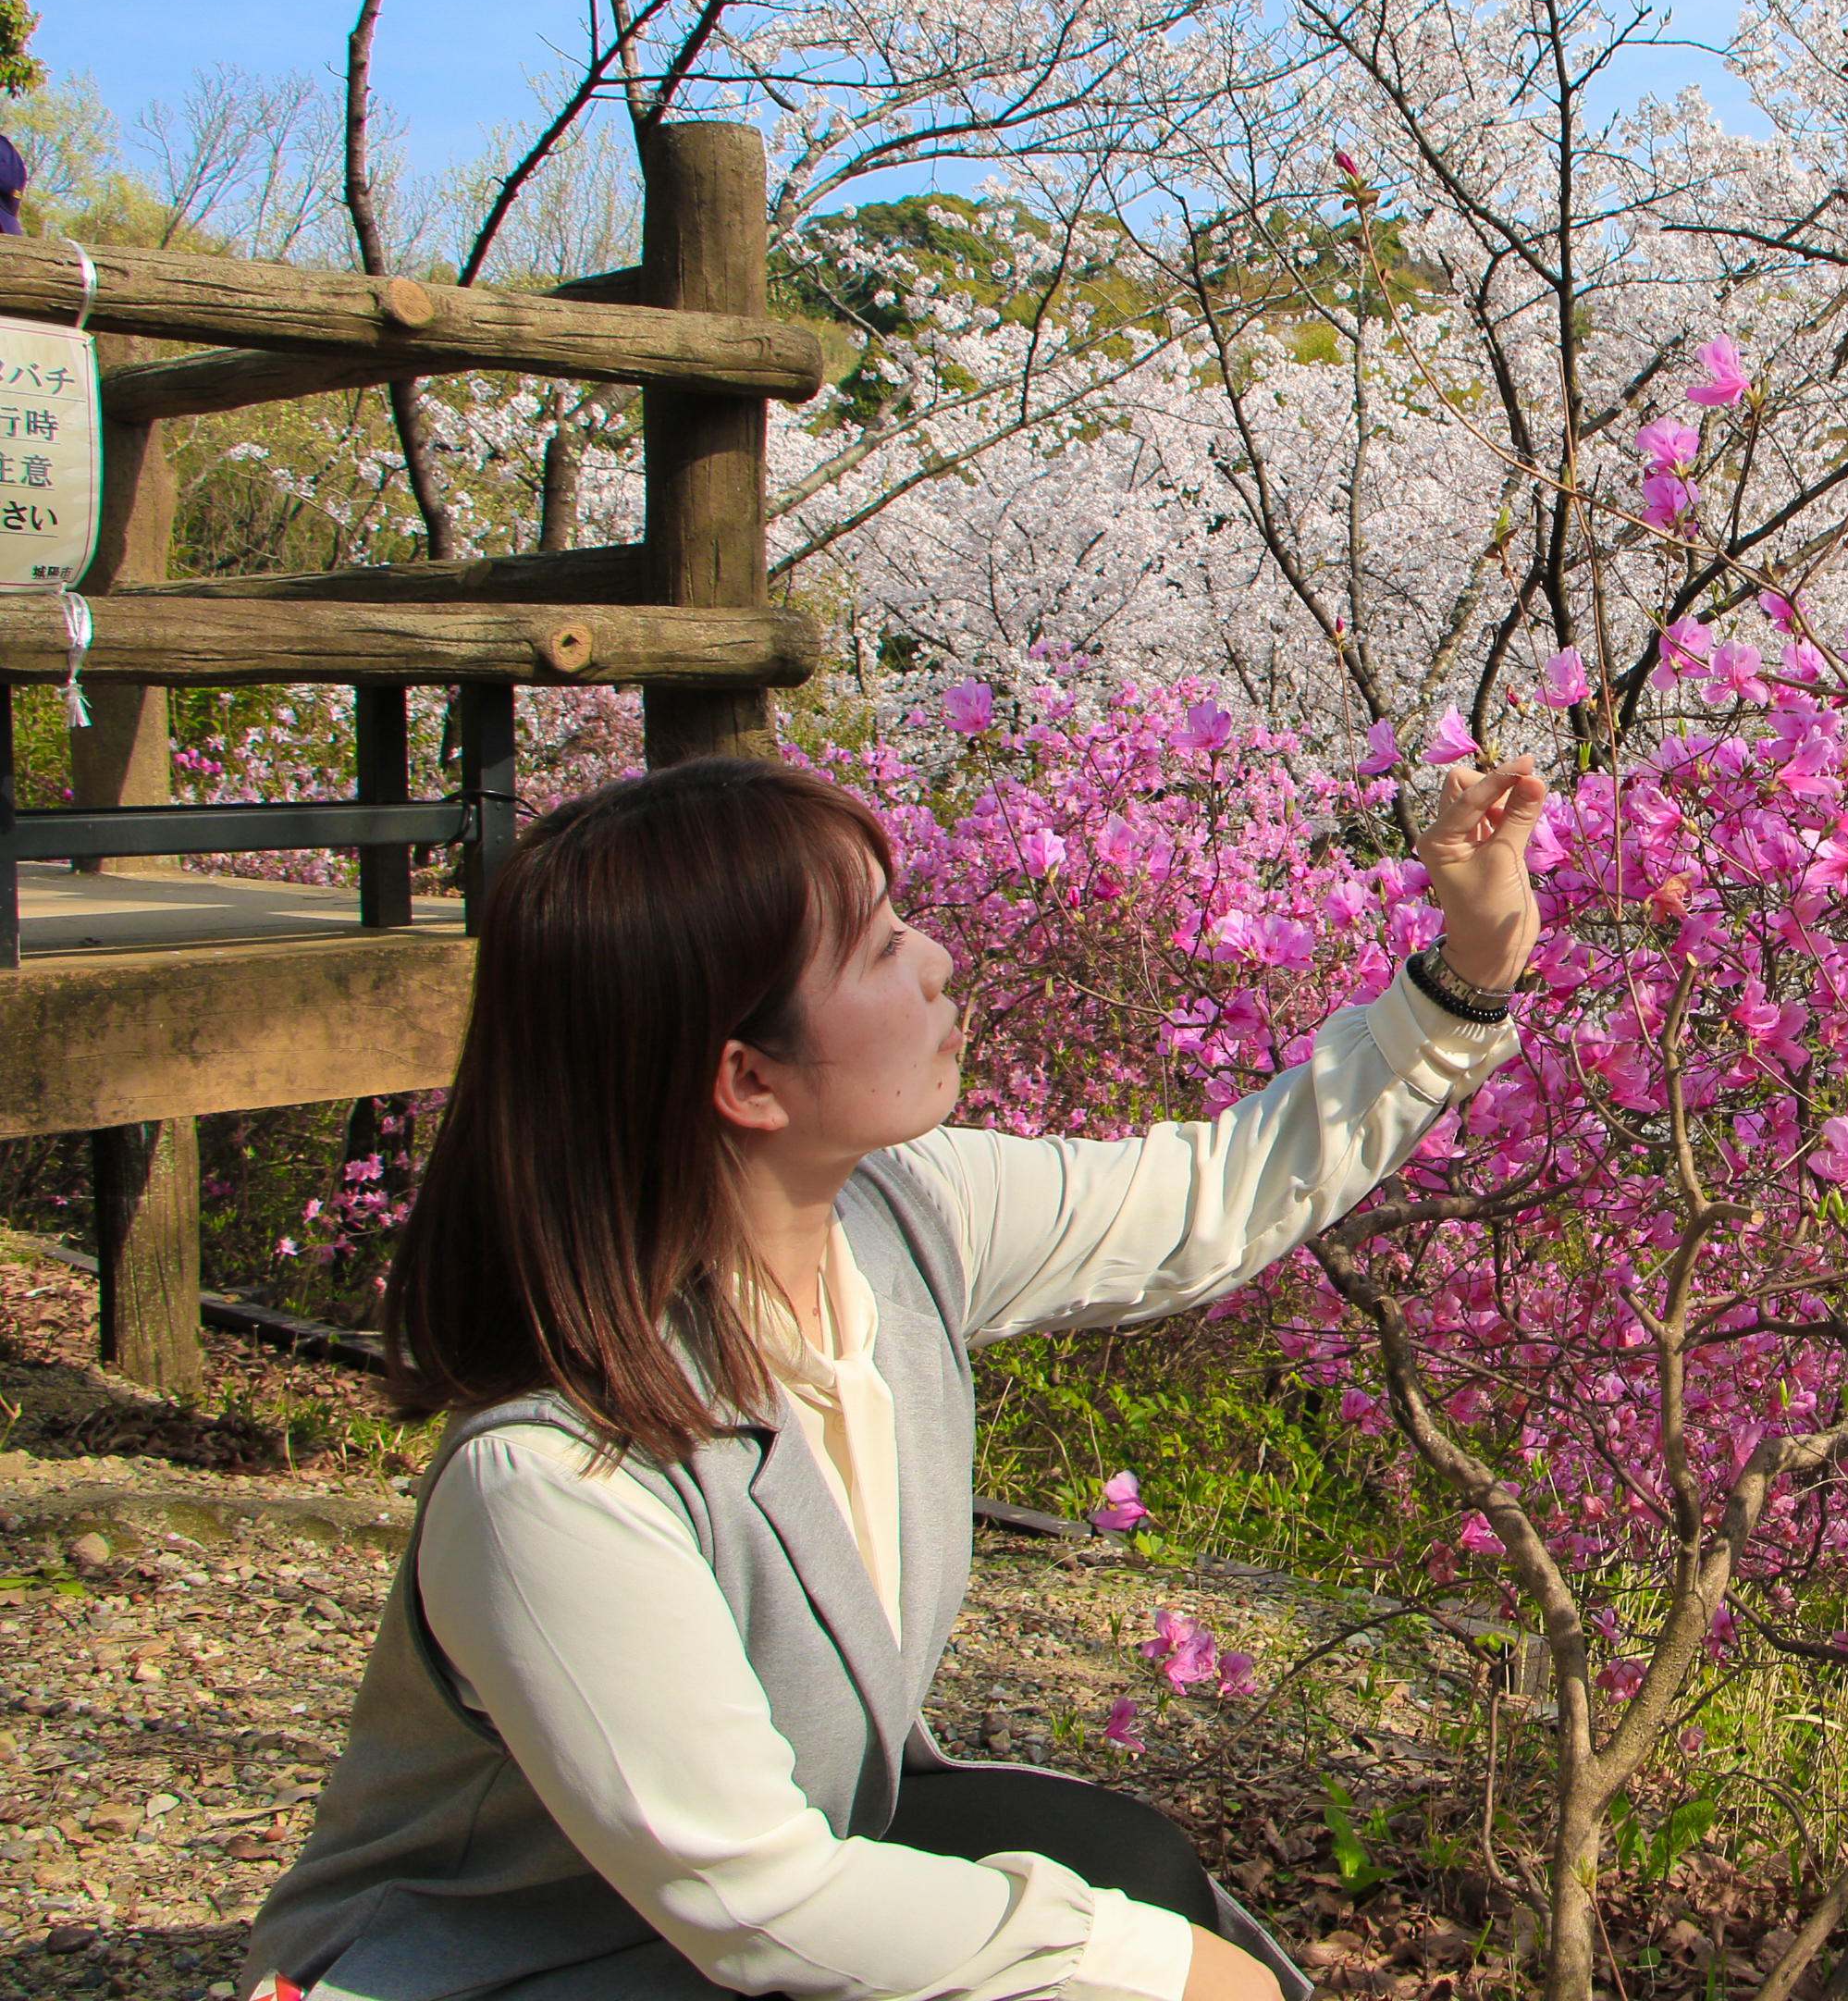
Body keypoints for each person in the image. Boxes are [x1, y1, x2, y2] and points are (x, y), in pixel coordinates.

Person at [239, 749, 1547, 2001]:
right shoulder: (555, 1477)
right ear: (748, 1079)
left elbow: (1209, 1199)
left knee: (1142, 1873)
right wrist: (1149, 1970)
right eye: (876, 947)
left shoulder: (896, 1214)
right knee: (1137, 1954)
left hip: (741, 1893)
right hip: (527, 1965)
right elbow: (763, 1902)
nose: (939, 959)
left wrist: (1465, 973)